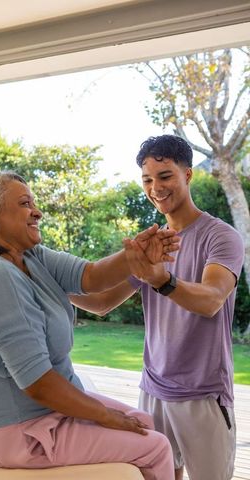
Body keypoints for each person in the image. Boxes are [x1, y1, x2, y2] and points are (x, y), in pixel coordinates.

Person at [0, 171, 180, 480]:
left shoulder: (30, 257)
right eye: (25, 203)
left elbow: (92, 277)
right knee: (156, 448)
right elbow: (38, 383)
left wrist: (136, 256)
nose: (37, 211)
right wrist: (105, 416)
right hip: (19, 432)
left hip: (43, 413)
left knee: (143, 421)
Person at [70, 135, 245, 480]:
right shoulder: (151, 242)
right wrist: (43, 277)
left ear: (188, 175)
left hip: (203, 393)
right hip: (153, 388)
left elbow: (211, 299)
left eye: (165, 176)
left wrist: (161, 280)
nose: (155, 188)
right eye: (147, 180)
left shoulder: (220, 237)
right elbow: (102, 301)